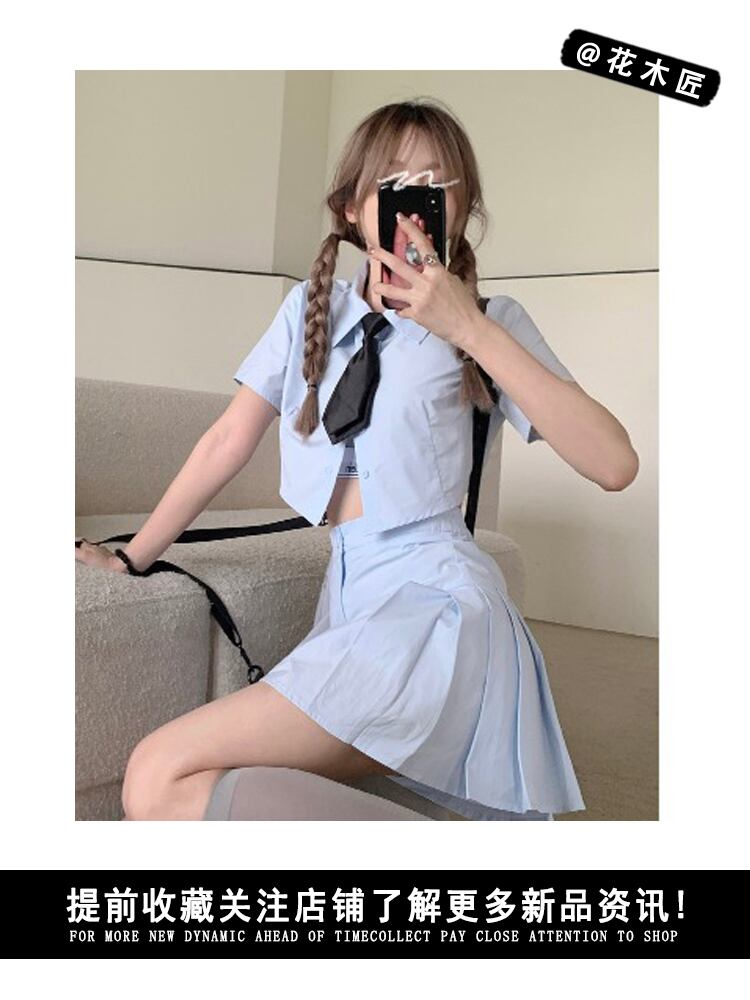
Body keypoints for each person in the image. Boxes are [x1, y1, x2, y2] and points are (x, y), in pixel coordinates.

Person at [75, 97, 639, 821]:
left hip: (439, 606)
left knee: (159, 770)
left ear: (462, 207)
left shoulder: (491, 323)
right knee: (176, 787)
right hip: (350, 599)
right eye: (395, 182)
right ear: (351, 208)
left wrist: (466, 326)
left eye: (437, 183)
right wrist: (132, 557)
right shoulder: (306, 310)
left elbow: (613, 463)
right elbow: (226, 441)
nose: (417, 199)